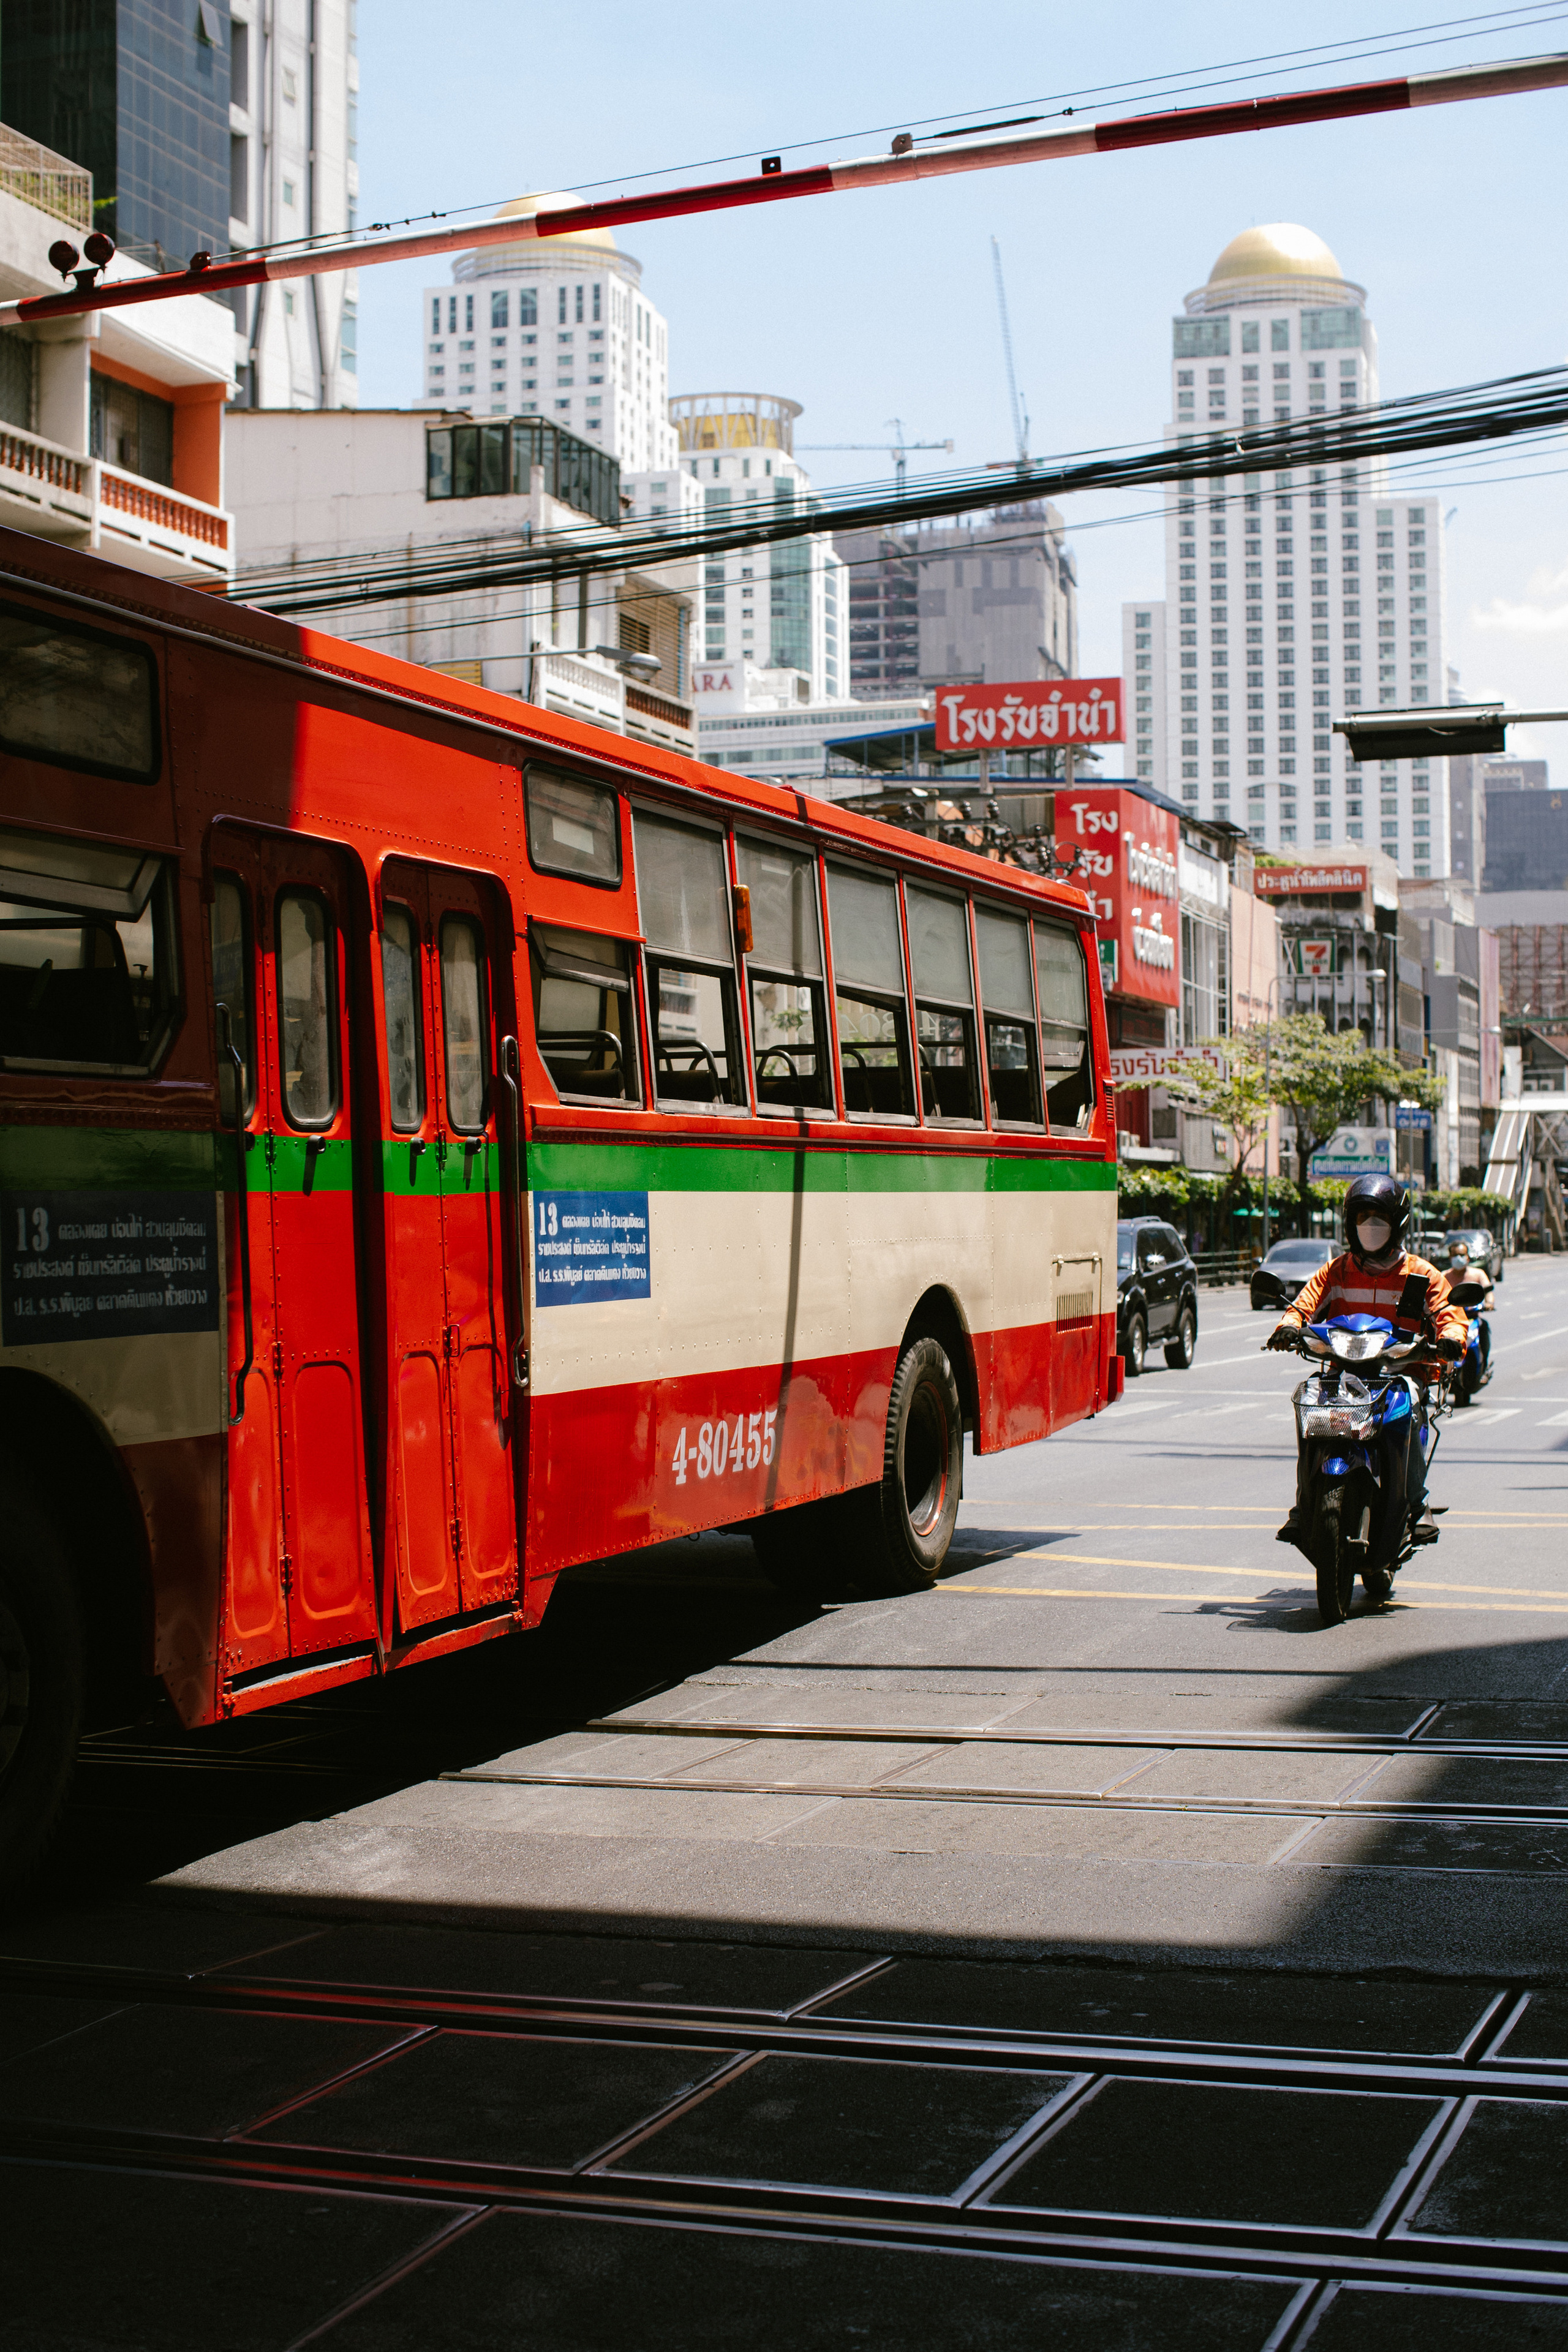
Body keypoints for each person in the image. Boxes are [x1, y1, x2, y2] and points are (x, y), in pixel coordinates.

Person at [1264, 1173, 1467, 1550]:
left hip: (1400, 1373)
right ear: (1350, 1224)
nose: (1370, 1226)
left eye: (1380, 1218)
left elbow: (1449, 1314)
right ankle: (1303, 1506)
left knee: (1411, 1406)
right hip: (1343, 1373)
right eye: (1362, 1217)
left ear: (1398, 1224)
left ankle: (1416, 1504)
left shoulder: (1421, 1274)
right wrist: (1288, 1327)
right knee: (1309, 1405)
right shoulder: (1336, 1270)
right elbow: (1305, 1304)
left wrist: (1452, 1339)